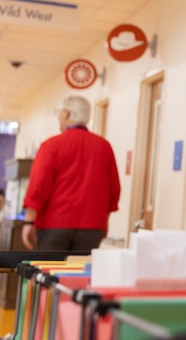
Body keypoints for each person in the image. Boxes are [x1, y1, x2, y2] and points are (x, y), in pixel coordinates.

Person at [22, 95, 121, 251]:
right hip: (92, 226)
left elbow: (38, 185)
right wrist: (104, 222)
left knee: (49, 273)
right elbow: (113, 189)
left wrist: (28, 222)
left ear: (66, 114)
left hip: (54, 226)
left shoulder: (51, 145)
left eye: (59, 113)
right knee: (79, 274)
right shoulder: (104, 147)